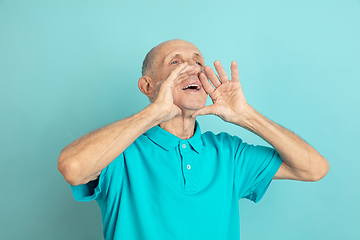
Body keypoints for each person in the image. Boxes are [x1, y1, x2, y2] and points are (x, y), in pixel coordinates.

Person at [58, 39, 329, 240]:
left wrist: (246, 116)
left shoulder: (228, 152)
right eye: (175, 62)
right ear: (148, 86)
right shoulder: (120, 150)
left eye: (198, 62)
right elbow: (72, 168)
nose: (191, 68)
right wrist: (154, 113)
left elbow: (314, 168)